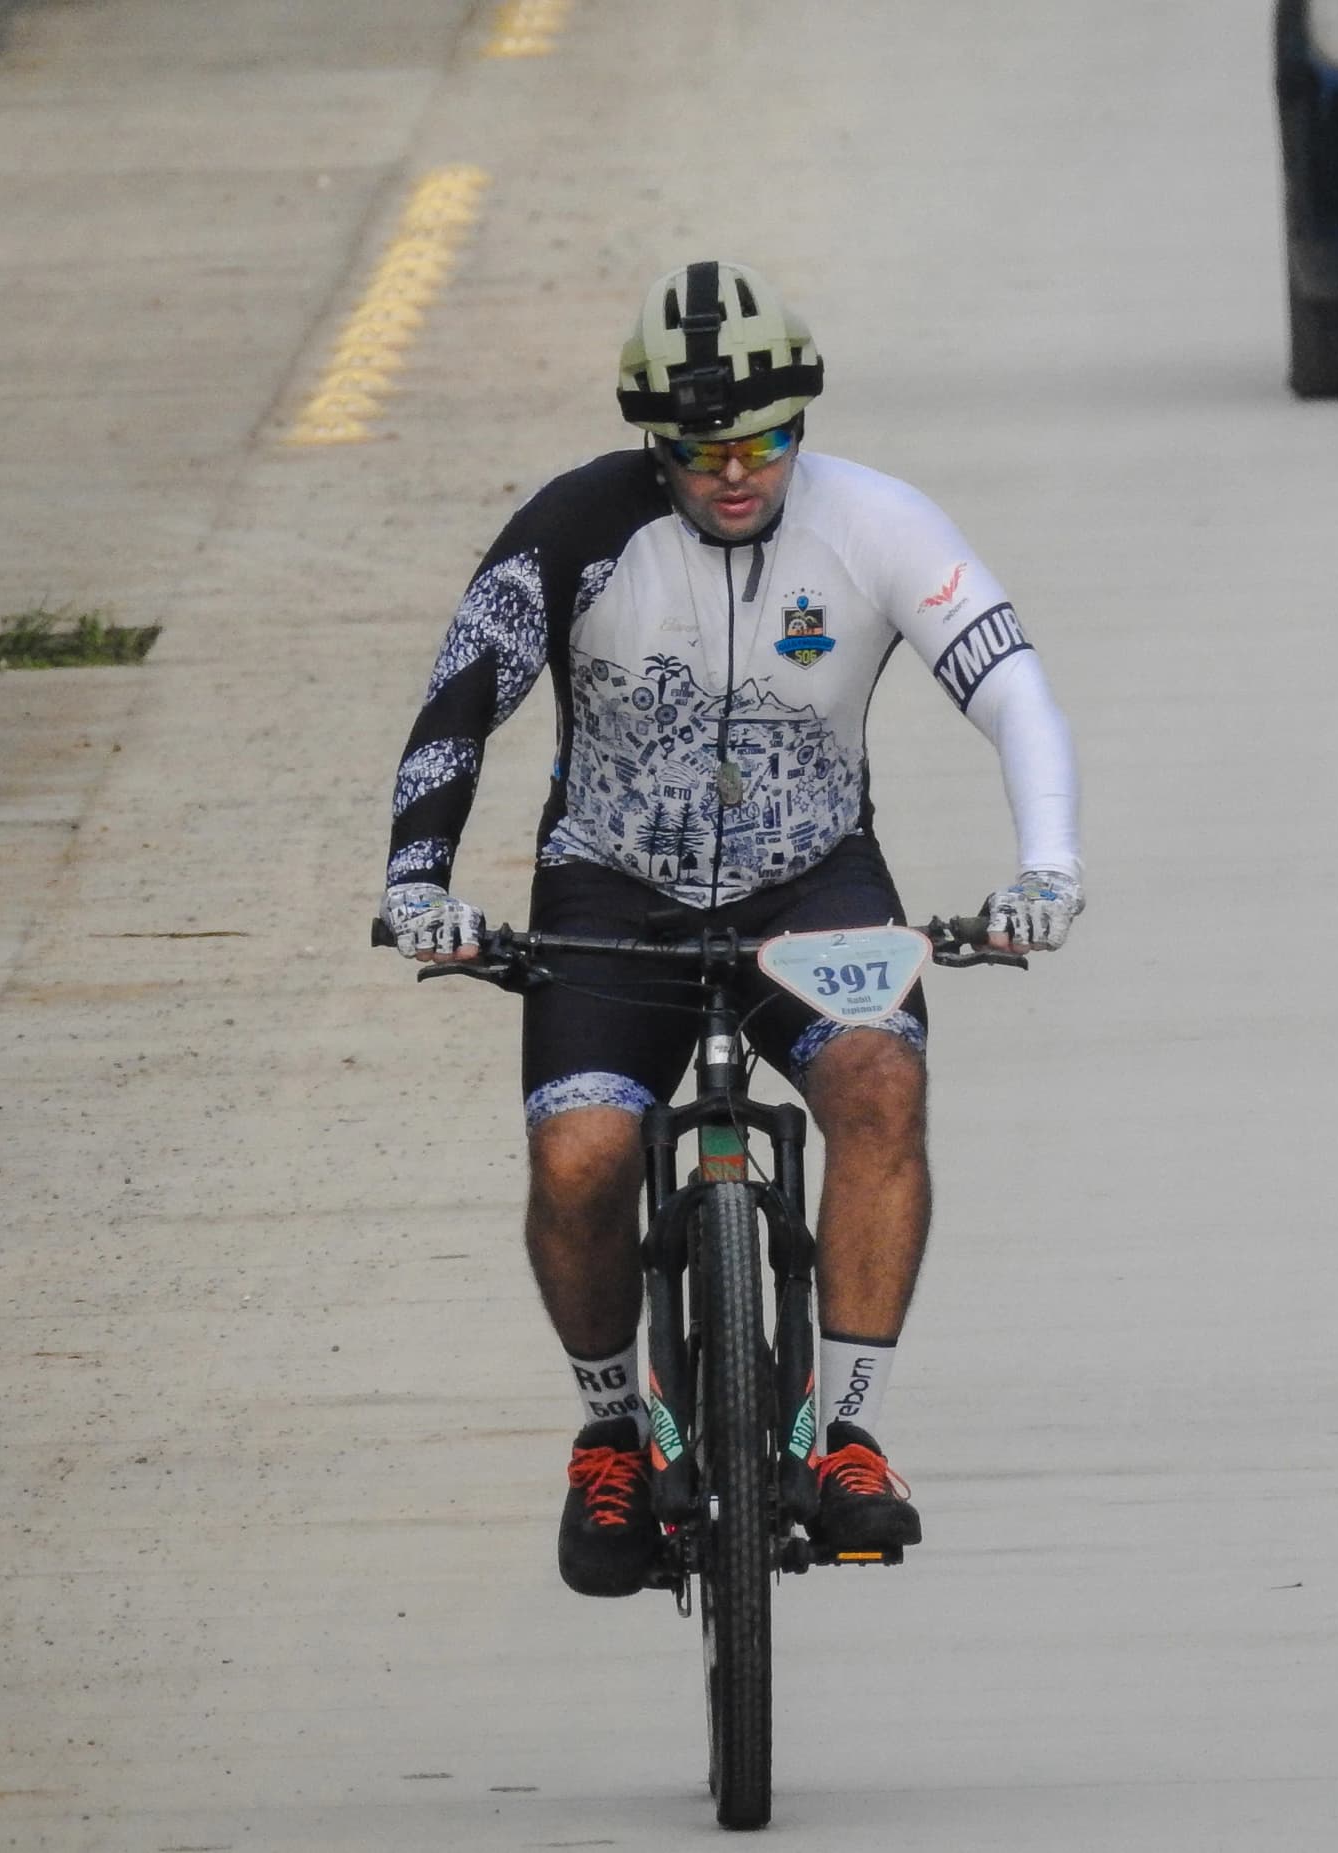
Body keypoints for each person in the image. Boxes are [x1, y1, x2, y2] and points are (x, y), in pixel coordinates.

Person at [376, 259, 1081, 1597]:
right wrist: (420, 881)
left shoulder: (878, 523)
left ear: (802, 422)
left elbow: (1015, 693)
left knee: (879, 1085)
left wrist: (1047, 868)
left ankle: (850, 1433)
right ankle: (609, 1433)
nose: (738, 473)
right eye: (702, 452)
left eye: (765, 441)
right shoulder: (576, 526)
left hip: (811, 885)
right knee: (582, 1155)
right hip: (610, 886)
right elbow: (459, 702)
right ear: (657, 444)